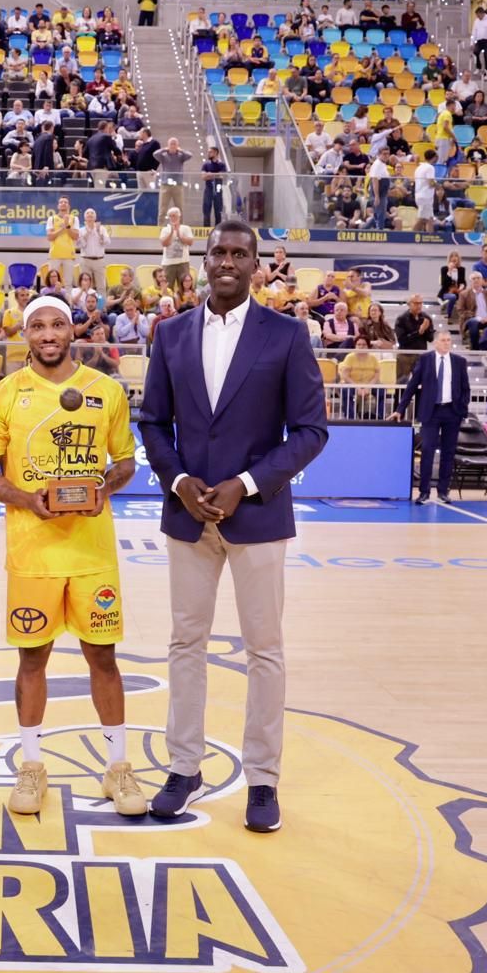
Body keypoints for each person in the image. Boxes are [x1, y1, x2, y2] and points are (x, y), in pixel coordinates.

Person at [137, 220, 328, 830]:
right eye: (218, 252)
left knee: (264, 650)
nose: (227, 261)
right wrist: (180, 481)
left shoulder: (287, 335)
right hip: (187, 516)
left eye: (239, 254)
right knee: (184, 644)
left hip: (258, 514)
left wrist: (244, 484)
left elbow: (311, 431)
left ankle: (263, 779)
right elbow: (153, 424)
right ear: (203, 260)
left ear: (256, 266)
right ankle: (184, 766)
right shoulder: (169, 334)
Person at [0, 296, 143, 818]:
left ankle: (118, 767)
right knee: (32, 658)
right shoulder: (2, 396)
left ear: (73, 331)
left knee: (103, 657)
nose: (48, 333)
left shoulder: (106, 390)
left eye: (58, 324)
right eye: (38, 326)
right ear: (26, 334)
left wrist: (101, 489)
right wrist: (28, 500)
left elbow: (125, 462)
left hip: (92, 553)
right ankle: (31, 765)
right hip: (32, 552)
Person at [390, 330, 470, 503]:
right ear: (435, 343)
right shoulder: (425, 360)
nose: (446, 343)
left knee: (448, 453)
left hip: (452, 411)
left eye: (449, 340)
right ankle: (424, 491)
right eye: (443, 340)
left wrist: (462, 408)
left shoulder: (459, 362)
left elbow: (465, 388)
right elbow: (412, 385)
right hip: (431, 411)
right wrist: (400, 408)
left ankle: (443, 491)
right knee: (427, 450)